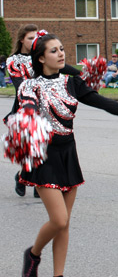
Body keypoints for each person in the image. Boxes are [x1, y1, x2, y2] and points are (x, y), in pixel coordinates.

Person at [16, 32, 118, 277]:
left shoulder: (72, 83)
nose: (61, 53)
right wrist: (29, 118)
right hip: (44, 155)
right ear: (41, 58)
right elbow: (29, 108)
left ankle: (59, 274)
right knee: (59, 220)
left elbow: (104, 103)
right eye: (54, 50)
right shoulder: (29, 85)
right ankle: (33, 254)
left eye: (62, 49)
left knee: (65, 224)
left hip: (68, 153)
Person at [7, 24, 80, 199]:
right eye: (30, 38)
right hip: (28, 106)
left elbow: (63, 68)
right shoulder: (14, 61)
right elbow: (20, 87)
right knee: (33, 149)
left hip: (50, 104)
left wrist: (81, 74)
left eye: (36, 38)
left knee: (47, 148)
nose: (34, 41)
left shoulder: (43, 55)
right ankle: (22, 177)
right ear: (21, 40)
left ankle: (42, 183)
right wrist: (30, 101)